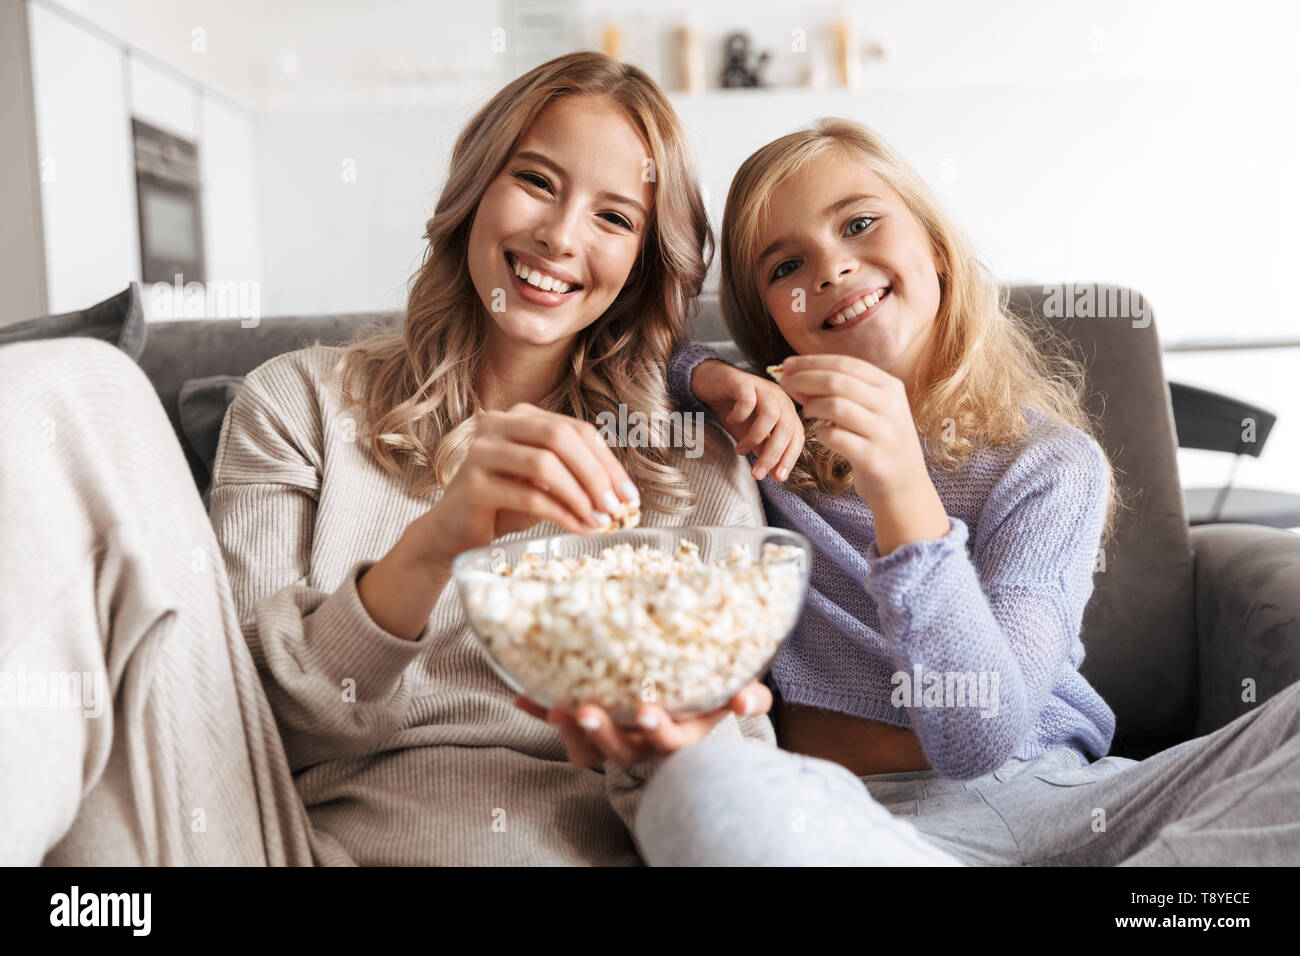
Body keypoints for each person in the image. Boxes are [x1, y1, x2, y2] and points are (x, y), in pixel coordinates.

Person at [0, 51, 774, 867]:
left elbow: (738, 803)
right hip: (278, 847)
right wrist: (436, 543)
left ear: (647, 261)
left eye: (615, 218)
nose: (560, 234)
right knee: (80, 384)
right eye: (538, 181)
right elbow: (240, 725)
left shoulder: (691, 464)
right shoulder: (298, 402)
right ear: (474, 188)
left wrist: (667, 740)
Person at [631, 117, 1300, 865]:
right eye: (784, 267)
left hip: (1077, 805)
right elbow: (612, 348)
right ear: (772, 328)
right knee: (694, 799)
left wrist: (901, 487)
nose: (829, 269)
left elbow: (979, 736)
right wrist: (708, 375)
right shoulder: (767, 443)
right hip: (863, 827)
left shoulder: (1051, 463)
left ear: (936, 250)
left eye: (859, 223)